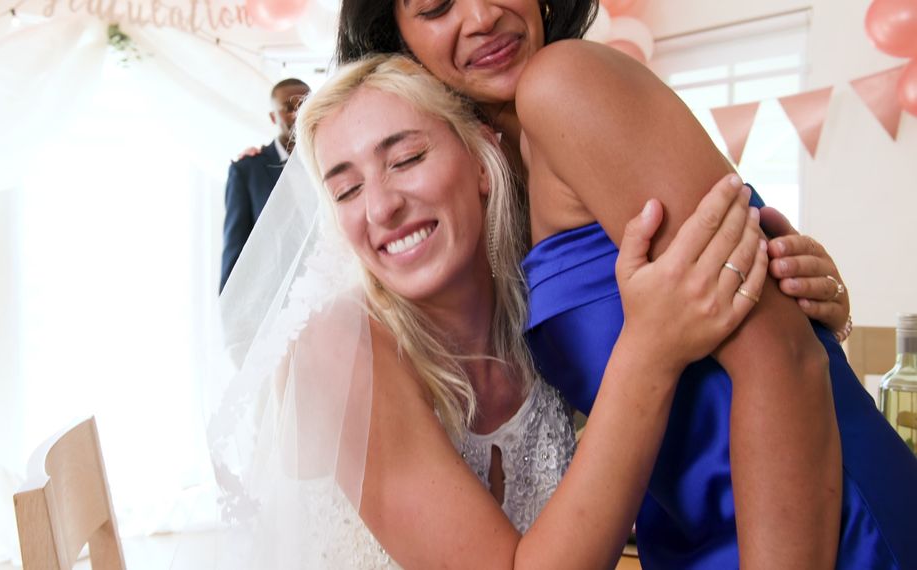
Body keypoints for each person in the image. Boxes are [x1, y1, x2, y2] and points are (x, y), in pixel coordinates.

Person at [335, 1, 917, 568]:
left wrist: (825, 314)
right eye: (437, 6)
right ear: (398, 39)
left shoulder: (564, 81)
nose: (481, 16)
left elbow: (783, 357)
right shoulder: (493, 185)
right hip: (696, 537)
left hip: (823, 528)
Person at [207, 53, 768, 569]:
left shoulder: (539, 300)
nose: (381, 206)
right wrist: (649, 355)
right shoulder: (335, 348)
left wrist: (796, 276)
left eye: (405, 159)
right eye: (347, 191)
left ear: (482, 160)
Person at [220, 78, 311, 292]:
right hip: (271, 297)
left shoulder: (330, 161)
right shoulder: (247, 170)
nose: (297, 114)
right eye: (288, 108)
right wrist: (230, 309)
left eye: (304, 105)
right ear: (273, 117)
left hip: (330, 290)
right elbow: (236, 247)